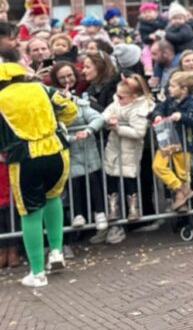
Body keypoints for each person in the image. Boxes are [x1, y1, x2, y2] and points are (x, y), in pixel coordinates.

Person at [0, 22, 79, 287]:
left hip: (25, 158)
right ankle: (56, 251)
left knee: (30, 213)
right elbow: (70, 110)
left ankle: (37, 272)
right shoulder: (41, 89)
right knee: (53, 198)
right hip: (57, 152)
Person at [97, 75, 154, 244]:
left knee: (129, 177)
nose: (118, 98)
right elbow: (106, 112)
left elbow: (139, 132)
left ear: (134, 97)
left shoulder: (141, 108)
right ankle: (113, 208)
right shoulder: (117, 102)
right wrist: (110, 119)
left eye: (122, 96)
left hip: (129, 148)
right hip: (114, 147)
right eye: (118, 95)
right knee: (111, 175)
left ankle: (133, 208)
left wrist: (118, 128)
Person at [150, 71, 193, 212]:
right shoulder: (169, 100)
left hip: (185, 143)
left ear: (184, 89)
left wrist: (182, 116)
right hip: (168, 141)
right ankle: (180, 189)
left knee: (183, 173)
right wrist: (158, 115)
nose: (169, 89)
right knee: (158, 166)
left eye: (173, 86)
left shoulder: (191, 102)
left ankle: (181, 199)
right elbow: (158, 108)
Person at [64, 90, 107, 232]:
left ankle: (100, 212)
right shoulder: (55, 110)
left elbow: (98, 118)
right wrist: (71, 138)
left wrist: (88, 130)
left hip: (88, 149)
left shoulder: (82, 106)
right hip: (71, 151)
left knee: (94, 179)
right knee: (74, 182)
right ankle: (78, 214)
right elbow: (56, 129)